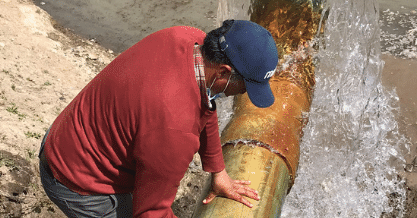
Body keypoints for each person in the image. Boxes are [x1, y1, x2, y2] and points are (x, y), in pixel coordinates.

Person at [39, 19, 279, 218]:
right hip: (78, 182)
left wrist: (218, 171)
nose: (244, 94)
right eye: (245, 87)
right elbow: (150, 213)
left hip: (66, 135)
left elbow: (206, 102)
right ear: (223, 73)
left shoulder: (188, 37)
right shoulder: (175, 128)